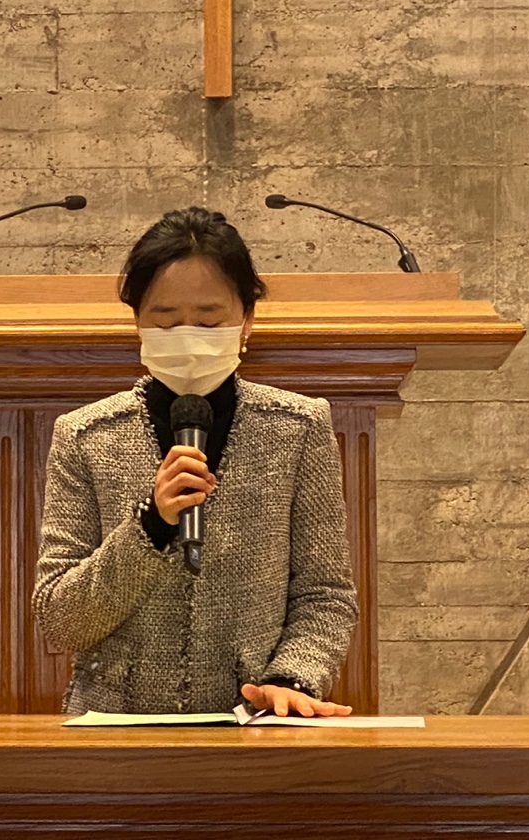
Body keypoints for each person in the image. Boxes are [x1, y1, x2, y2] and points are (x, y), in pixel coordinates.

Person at [32, 206, 359, 718]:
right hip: (112, 728)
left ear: (247, 319)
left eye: (209, 321)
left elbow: (325, 593)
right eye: (165, 320)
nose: (188, 336)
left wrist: (289, 680)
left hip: (252, 724)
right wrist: (150, 526)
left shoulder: (298, 427)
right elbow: (60, 620)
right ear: (138, 322)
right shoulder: (85, 435)